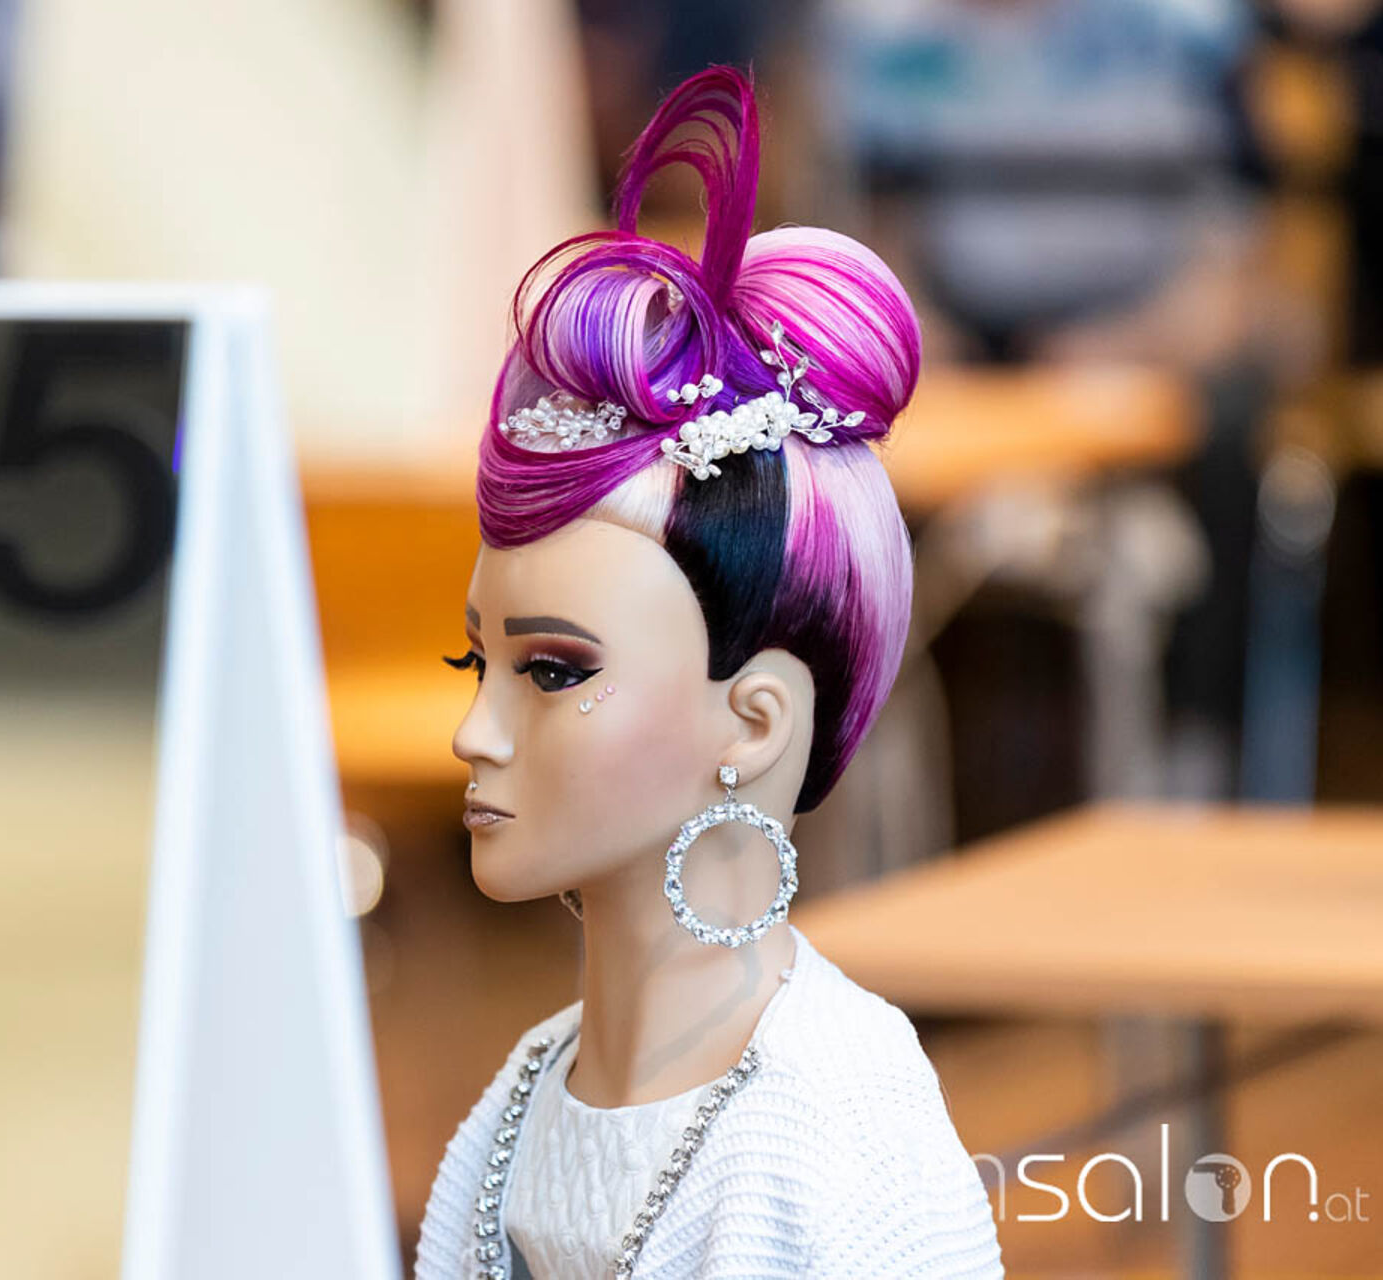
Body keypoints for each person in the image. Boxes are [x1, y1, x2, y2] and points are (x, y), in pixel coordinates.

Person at [415, 67, 1003, 1279]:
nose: (476, 730)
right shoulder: (518, 1103)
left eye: (553, 670)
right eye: (479, 659)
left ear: (755, 719)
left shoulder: (836, 1133)